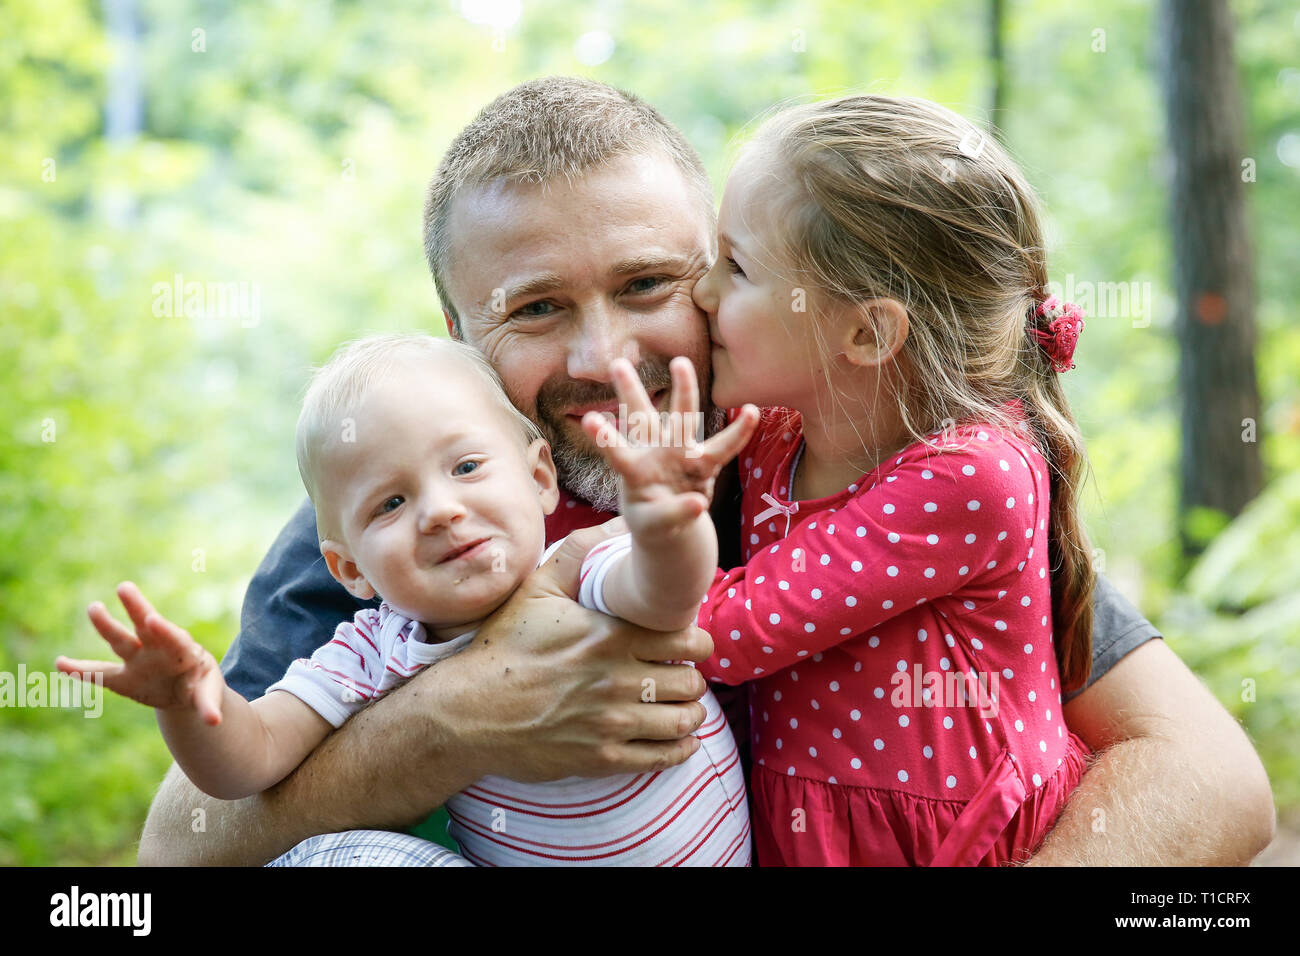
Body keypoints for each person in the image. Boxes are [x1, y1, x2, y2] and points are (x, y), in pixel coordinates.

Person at [138, 76, 1275, 867]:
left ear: (725, 277)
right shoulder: (401, 516)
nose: (606, 357)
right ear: (454, 327)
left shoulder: (835, 455)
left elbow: (1212, 775)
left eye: (648, 285)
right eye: (535, 308)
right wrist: (456, 721)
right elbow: (176, 845)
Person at [64, 334, 755, 865]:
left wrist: (667, 520)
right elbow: (248, 763)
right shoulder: (372, 651)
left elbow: (668, 591)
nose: (441, 511)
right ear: (348, 567)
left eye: (466, 467)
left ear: (538, 475)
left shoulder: (580, 570)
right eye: (391, 503)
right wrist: (188, 704)